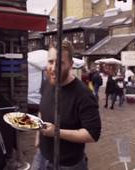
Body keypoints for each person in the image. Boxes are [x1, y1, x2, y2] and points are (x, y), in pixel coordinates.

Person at [31, 40, 101, 170]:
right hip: (42, 156)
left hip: (69, 165)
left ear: (71, 65)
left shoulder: (83, 94)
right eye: (50, 62)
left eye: (60, 63)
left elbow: (92, 134)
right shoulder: (47, 83)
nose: (53, 68)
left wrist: (57, 132)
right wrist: (38, 137)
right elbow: (42, 110)